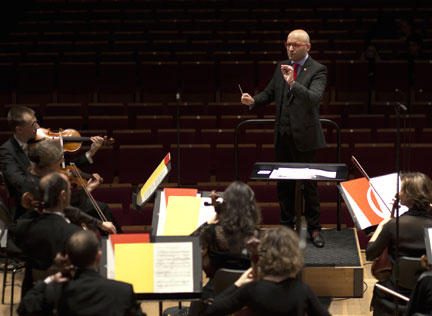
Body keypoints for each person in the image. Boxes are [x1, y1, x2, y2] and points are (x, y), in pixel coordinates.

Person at [241, 29, 327, 247]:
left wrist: (292, 83)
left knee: (309, 186)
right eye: (288, 44)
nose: (290, 48)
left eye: (295, 45)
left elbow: (313, 98)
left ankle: (314, 229)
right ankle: (287, 226)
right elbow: (269, 94)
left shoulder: (318, 70)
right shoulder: (281, 66)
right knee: (284, 185)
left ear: (307, 47)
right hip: (283, 137)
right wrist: (252, 100)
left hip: (305, 138)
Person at [0, 106, 120, 232]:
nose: (38, 127)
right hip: (30, 205)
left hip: (56, 199)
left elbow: (63, 164)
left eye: (37, 122)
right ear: (19, 129)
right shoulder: (6, 151)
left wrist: (90, 153)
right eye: (33, 124)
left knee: (102, 208)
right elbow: (19, 182)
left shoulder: (40, 139)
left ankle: (117, 245)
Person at [204, 226, 330, 316]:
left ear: (263, 253)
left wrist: (238, 283)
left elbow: (213, 310)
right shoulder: (302, 289)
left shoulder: (252, 289)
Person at [18, 229, 146, 316]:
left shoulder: (55, 291)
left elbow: (24, 308)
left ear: (68, 258)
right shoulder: (122, 291)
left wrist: (49, 280)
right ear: (99, 256)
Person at [189, 181, 261, 316]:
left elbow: (187, 246)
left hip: (214, 297)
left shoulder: (211, 232)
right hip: (247, 296)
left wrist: (208, 223)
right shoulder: (259, 237)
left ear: (226, 206)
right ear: (252, 208)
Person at [366, 172, 432, 315]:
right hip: (426, 294)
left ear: (409, 196)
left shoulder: (393, 226)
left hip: (395, 293)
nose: (398, 193)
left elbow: (370, 254)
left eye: (401, 189)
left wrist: (382, 225)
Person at [21, 140, 116, 234]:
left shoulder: (41, 177)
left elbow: (66, 207)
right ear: (51, 165)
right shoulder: (38, 183)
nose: (61, 165)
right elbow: (65, 209)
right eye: (59, 162)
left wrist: (99, 223)